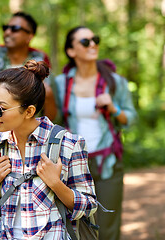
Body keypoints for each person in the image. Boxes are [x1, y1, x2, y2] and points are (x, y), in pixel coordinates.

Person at [0, 12, 57, 239]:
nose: (8, 32)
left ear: (30, 36)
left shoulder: (41, 71)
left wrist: (51, 98)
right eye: (6, 27)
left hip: (36, 153)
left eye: (16, 28)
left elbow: (55, 118)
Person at [0, 60, 98, 239]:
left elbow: (89, 206)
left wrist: (56, 184)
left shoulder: (67, 144)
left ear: (29, 111)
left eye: (1, 108)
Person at [54, 26, 137, 240]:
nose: (93, 44)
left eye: (95, 39)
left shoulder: (115, 82)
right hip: (73, 163)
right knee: (78, 225)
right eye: (85, 41)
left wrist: (113, 109)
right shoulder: (61, 84)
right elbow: (54, 120)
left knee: (108, 224)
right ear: (71, 51)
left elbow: (131, 118)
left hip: (107, 162)